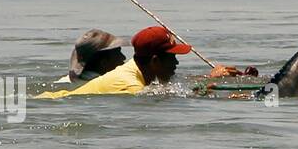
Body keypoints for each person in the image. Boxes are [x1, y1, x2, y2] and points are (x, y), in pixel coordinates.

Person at [37, 26, 236, 98]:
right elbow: (151, 96)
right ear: (155, 61)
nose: (176, 63)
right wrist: (201, 92)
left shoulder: (136, 72)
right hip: (51, 103)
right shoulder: (130, 85)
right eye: (173, 57)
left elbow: (169, 88)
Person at [51, 29, 129, 87]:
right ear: (103, 63)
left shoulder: (63, 82)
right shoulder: (112, 85)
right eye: (118, 53)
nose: (123, 57)